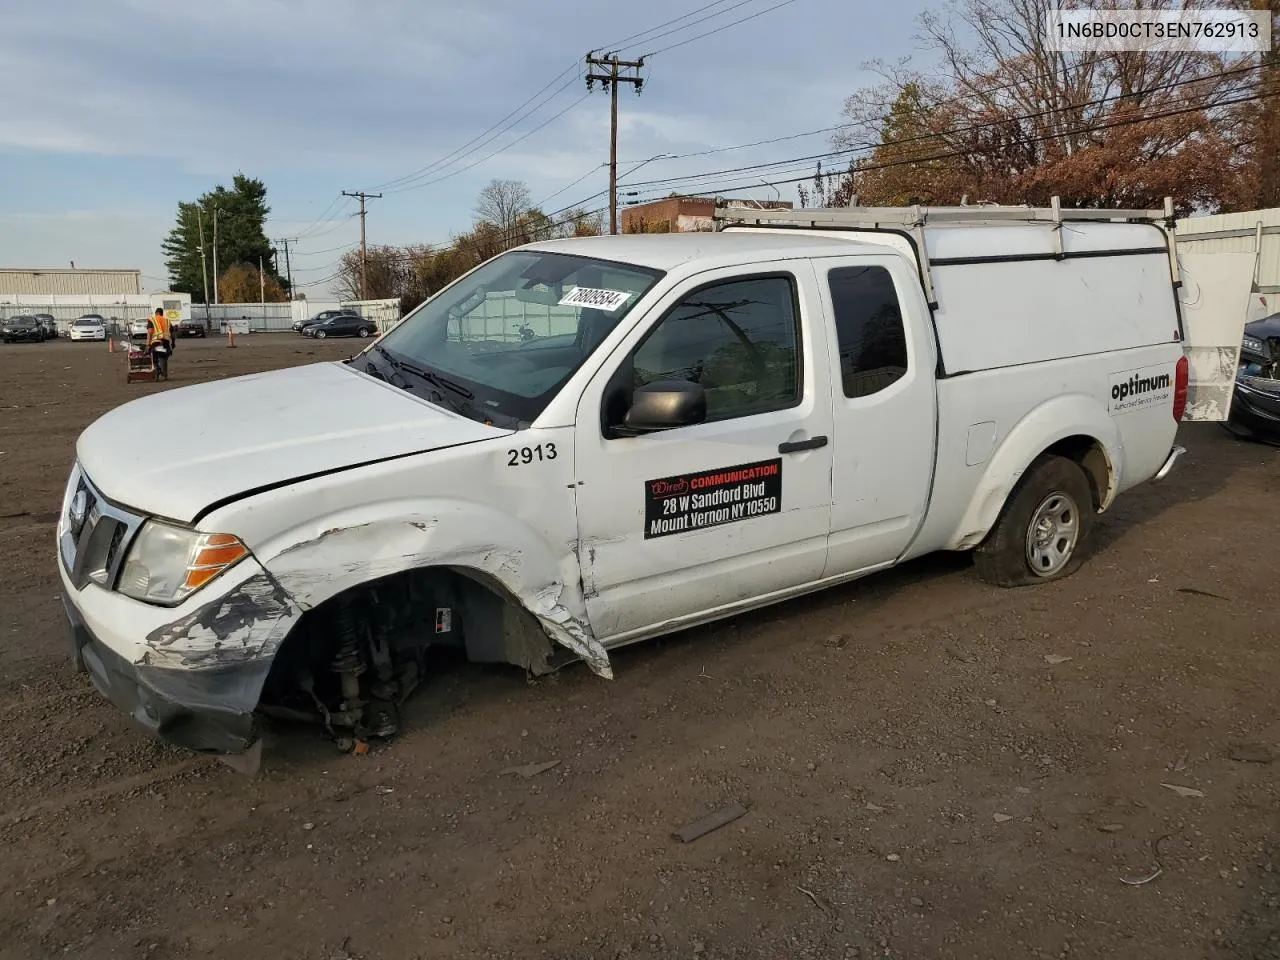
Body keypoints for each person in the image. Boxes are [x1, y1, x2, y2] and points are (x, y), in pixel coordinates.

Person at [146, 307, 174, 380]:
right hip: (165, 343)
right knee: (164, 357)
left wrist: (147, 344)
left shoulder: (152, 320)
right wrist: (173, 343)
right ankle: (165, 375)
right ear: (162, 314)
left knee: (154, 357)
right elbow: (173, 334)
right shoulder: (167, 321)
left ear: (156, 313)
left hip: (156, 342)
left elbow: (150, 332)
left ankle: (157, 370)